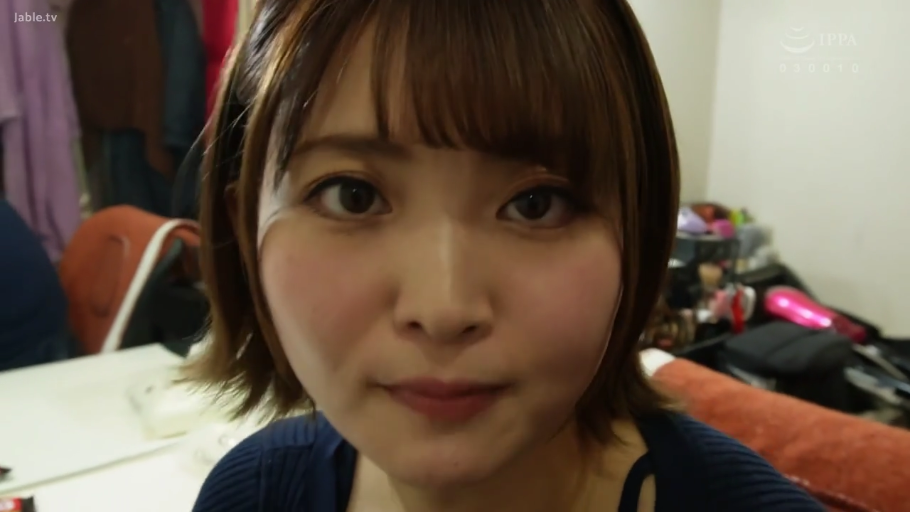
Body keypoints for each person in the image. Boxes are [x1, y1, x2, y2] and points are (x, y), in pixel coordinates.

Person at [188, 1, 825, 510]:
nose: (444, 309)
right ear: (245, 234)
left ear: (639, 236)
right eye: (352, 196)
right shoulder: (251, 494)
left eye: (536, 205)